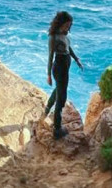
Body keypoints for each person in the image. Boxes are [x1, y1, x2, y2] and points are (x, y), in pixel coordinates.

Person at [44, 10, 83, 139]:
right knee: (62, 98)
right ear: (60, 23)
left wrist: (76, 59)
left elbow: (68, 48)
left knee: (59, 89)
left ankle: (47, 108)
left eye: (69, 26)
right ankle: (57, 129)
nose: (68, 28)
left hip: (65, 66)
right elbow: (50, 56)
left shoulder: (64, 35)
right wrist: (48, 75)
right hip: (59, 66)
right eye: (66, 25)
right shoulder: (53, 37)